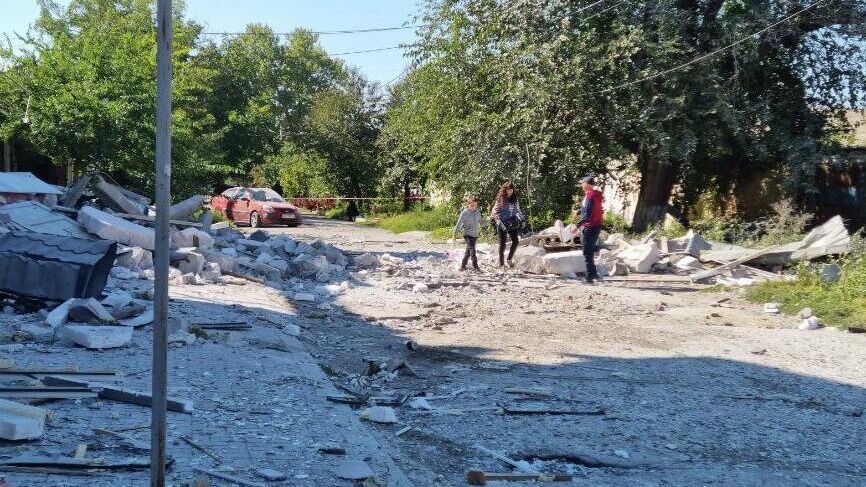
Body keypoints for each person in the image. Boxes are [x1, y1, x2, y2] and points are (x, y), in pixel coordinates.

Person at [572, 176, 604, 283]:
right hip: (596, 226)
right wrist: (578, 212)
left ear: (587, 184)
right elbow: (587, 209)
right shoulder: (594, 195)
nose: (581, 185)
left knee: (587, 252)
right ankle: (593, 273)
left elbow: (588, 215)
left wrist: (577, 226)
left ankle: (590, 277)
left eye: (582, 183)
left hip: (591, 227)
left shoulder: (590, 196)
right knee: (589, 251)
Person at [490, 182, 523, 268]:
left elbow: (518, 210)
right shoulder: (501, 199)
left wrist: (522, 219)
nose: (510, 191)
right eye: (508, 189)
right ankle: (501, 264)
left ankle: (509, 259)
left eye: (511, 189)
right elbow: (494, 210)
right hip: (502, 223)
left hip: (512, 222)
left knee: (516, 241)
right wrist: (495, 217)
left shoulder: (515, 199)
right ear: (505, 190)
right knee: (502, 243)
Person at [453, 196, 483, 271]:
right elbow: (459, 223)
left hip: (475, 235)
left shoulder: (477, 213)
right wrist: (455, 234)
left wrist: (490, 221)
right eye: (472, 205)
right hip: (468, 235)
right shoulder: (465, 213)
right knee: (473, 250)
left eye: (475, 205)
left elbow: (481, 222)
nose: (474, 207)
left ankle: (463, 266)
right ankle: (476, 266)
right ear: (468, 204)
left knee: (468, 252)